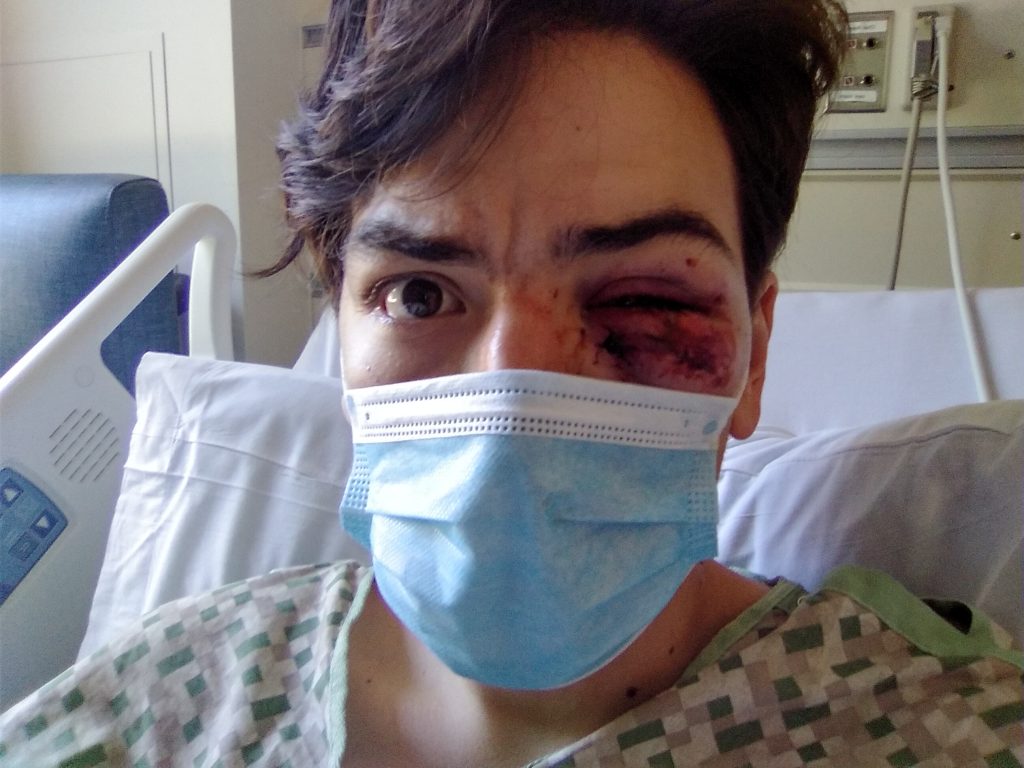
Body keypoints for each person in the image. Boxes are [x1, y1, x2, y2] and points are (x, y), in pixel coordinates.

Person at [2, 0, 1022, 765]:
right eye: (418, 294)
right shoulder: (173, 695)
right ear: (341, 328)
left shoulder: (938, 730)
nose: (509, 402)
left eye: (640, 299)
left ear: (753, 355)